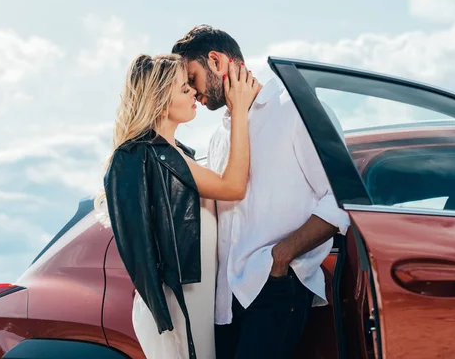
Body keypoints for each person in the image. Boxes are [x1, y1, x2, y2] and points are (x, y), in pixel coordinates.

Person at [172, 25, 351, 359]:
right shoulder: (219, 136)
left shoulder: (298, 111)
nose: (192, 93)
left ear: (216, 61)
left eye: (192, 79)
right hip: (224, 303)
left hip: (275, 288)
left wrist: (281, 257)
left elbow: (341, 198)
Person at [95, 53, 260, 359]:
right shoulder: (152, 156)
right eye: (185, 90)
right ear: (160, 102)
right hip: (179, 305)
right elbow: (233, 186)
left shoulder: (172, 157)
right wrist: (239, 112)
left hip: (193, 302)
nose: (195, 94)